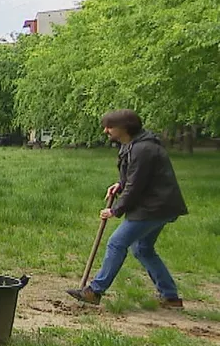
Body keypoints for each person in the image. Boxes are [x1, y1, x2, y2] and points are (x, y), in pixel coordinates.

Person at [67, 110, 188, 309]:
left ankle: (95, 291)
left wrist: (115, 210)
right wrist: (120, 185)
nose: (106, 130)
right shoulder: (132, 146)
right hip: (159, 205)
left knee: (116, 243)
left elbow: (136, 186)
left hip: (155, 207)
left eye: (110, 126)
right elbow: (134, 178)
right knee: (142, 249)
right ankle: (171, 297)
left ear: (125, 128)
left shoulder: (143, 149)